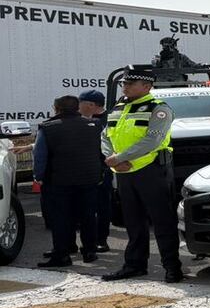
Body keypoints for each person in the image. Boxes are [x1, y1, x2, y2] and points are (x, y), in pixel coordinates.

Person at [101, 66, 183, 283]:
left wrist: (119, 159)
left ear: (146, 86)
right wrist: (113, 159)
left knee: (162, 221)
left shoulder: (159, 109)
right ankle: (134, 265)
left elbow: (153, 140)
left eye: (130, 83)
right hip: (125, 172)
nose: (125, 86)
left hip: (152, 171)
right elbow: (106, 135)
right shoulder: (119, 107)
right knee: (133, 221)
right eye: (124, 84)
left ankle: (172, 267)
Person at [33, 95, 102, 267]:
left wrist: (38, 176)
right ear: (77, 108)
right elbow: (101, 151)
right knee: (88, 216)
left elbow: (40, 156)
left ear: (56, 109)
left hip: (59, 180)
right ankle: (89, 251)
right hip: (89, 178)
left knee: (61, 218)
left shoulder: (47, 127)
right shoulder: (94, 125)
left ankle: (62, 254)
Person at [79, 90, 112, 252]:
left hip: (102, 169)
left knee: (102, 206)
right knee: (84, 207)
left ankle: (101, 240)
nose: (78, 106)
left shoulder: (109, 120)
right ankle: (87, 242)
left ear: (91, 105)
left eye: (81, 103)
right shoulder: (80, 120)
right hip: (82, 170)